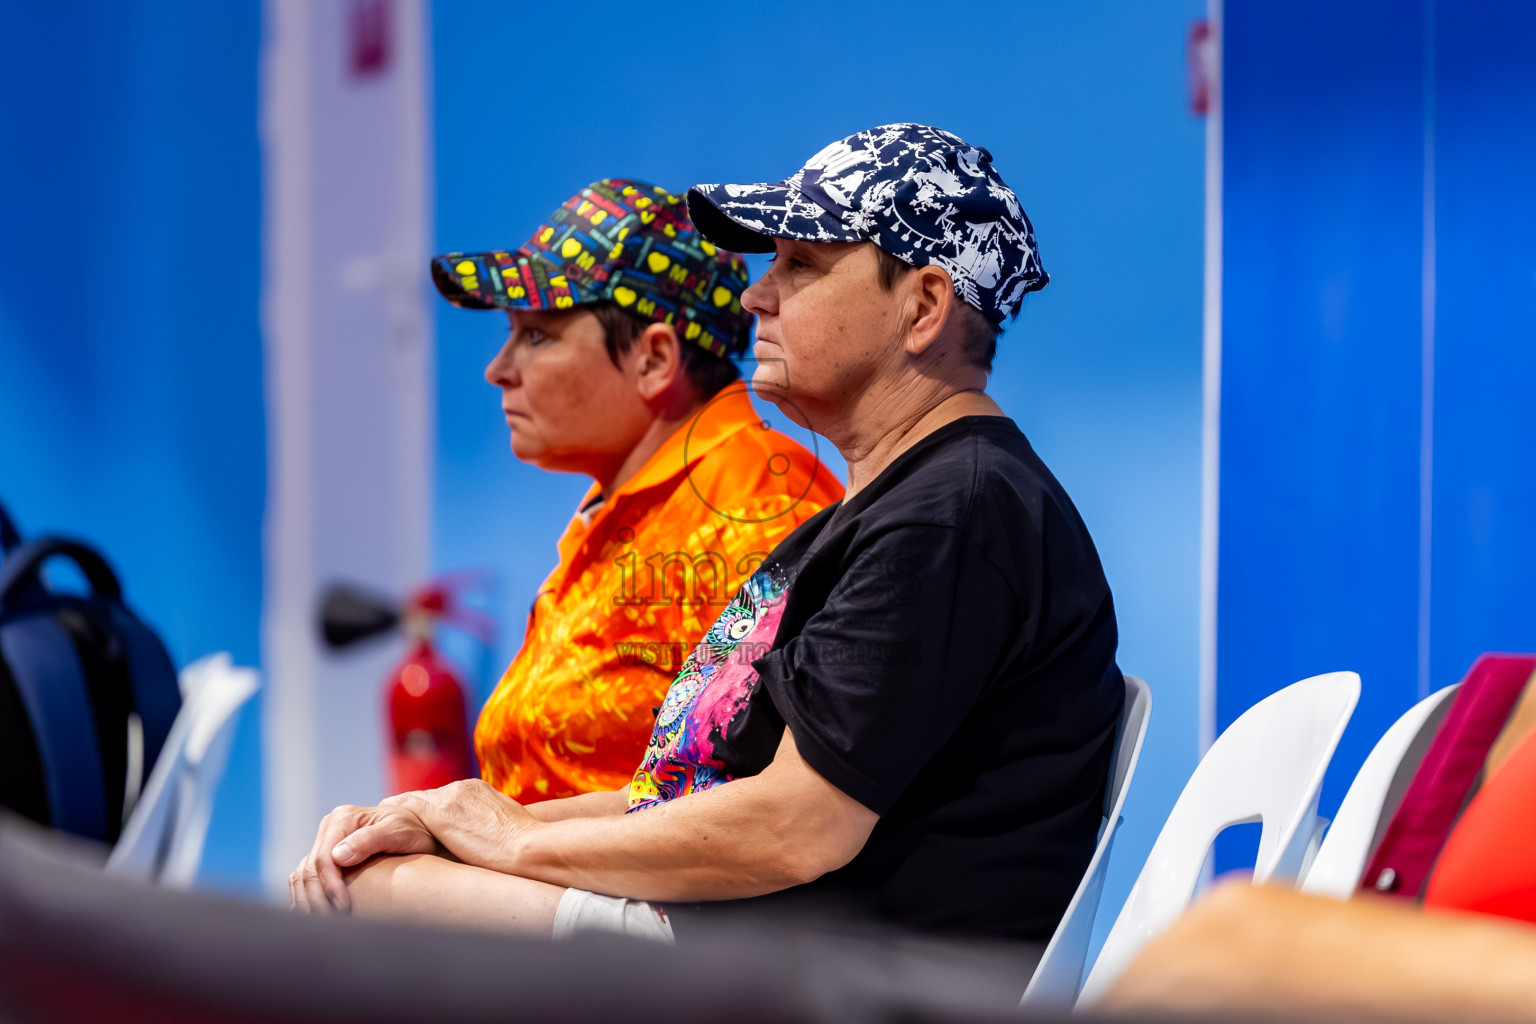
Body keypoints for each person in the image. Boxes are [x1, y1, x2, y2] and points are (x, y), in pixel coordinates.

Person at [292, 125, 1123, 948]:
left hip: (818, 982)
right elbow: (691, 787)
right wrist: (453, 818)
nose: (758, 296)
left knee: (371, 893)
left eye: (800, 264)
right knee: (372, 867)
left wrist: (511, 842)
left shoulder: (952, 517)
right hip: (745, 943)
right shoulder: (887, 513)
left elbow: (797, 826)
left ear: (923, 308)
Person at [430, 179, 842, 804]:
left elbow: (752, 800)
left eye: (537, 336)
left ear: (653, 359)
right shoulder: (644, 507)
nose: (499, 369)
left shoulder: (750, 511)